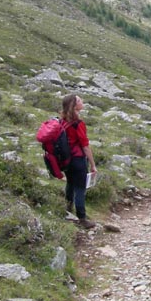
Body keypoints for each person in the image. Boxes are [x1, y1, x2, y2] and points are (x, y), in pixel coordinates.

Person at [61, 94, 97, 229]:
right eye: (80, 100)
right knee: (80, 188)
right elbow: (85, 145)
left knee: (70, 183)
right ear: (75, 105)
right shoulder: (78, 124)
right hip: (78, 159)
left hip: (66, 160)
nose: (82, 101)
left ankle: (68, 210)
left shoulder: (62, 121)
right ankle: (82, 218)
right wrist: (93, 164)